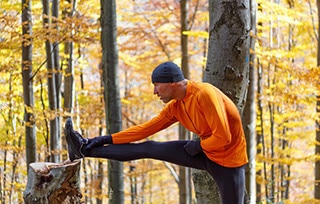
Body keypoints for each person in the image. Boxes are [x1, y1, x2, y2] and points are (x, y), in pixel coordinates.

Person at [65, 61, 248, 204]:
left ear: (173, 83)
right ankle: (83, 149)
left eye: (157, 85)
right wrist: (103, 139)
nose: (154, 91)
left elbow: (223, 137)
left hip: (229, 163)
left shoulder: (204, 94)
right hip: (204, 151)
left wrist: (199, 145)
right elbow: (145, 129)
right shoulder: (176, 106)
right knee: (149, 147)